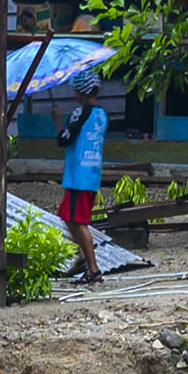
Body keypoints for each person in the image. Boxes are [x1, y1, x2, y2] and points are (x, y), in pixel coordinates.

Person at [55, 94, 110, 283]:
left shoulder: (80, 112)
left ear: (82, 93)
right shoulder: (101, 115)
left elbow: (64, 139)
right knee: (67, 217)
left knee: (78, 222)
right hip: (92, 175)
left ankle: (93, 269)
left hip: (77, 177)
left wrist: (57, 122)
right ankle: (82, 258)